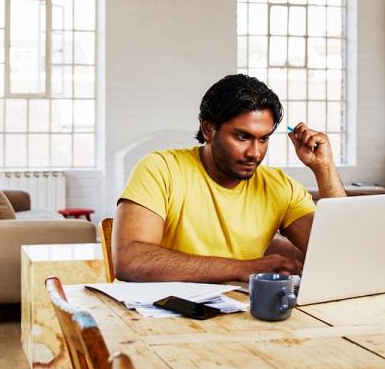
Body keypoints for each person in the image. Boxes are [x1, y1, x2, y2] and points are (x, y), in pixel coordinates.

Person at [113, 74, 346, 283]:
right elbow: (131, 260)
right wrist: (243, 268)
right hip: (161, 315)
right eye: (242, 137)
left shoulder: (280, 187)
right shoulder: (161, 169)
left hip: (241, 316)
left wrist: (324, 169)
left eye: (264, 139)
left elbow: (339, 254)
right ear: (208, 129)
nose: (255, 152)